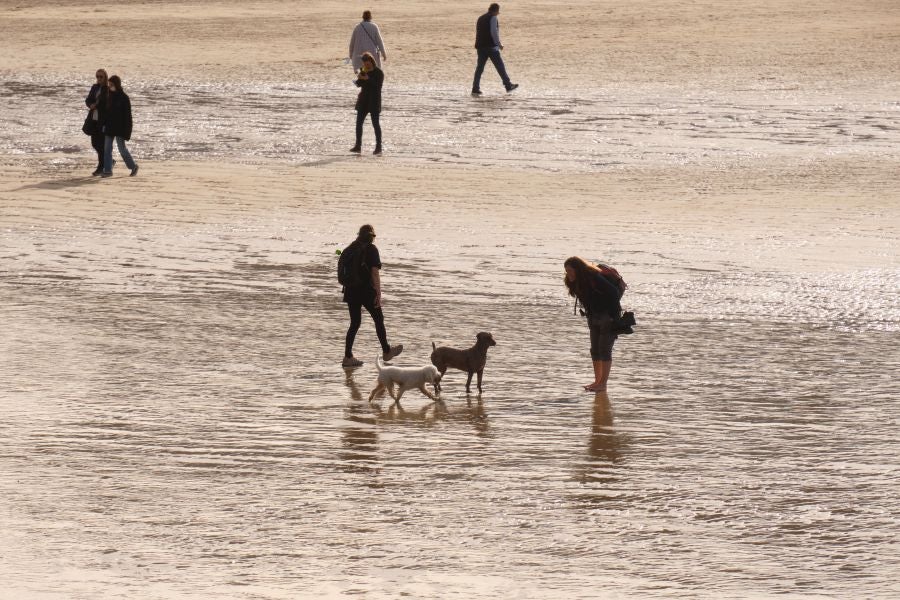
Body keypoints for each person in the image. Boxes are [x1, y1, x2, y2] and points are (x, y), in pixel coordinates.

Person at [341, 224, 402, 368]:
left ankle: (348, 357)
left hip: (350, 290)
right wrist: (378, 293)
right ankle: (386, 351)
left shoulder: (349, 249)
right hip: (366, 291)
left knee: (355, 323)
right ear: (371, 237)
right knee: (379, 319)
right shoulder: (371, 249)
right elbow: (374, 272)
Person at [564, 257, 624, 392]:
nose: (568, 273)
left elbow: (614, 294)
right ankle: (597, 381)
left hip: (607, 317)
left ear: (578, 269)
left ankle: (603, 384)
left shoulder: (594, 277)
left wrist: (613, 318)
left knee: (604, 350)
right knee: (595, 350)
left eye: (570, 270)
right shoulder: (574, 281)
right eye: (566, 271)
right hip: (593, 317)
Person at [471, 3, 518, 96]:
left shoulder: (480, 18)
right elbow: (494, 32)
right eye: (498, 11)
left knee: (479, 68)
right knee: (500, 66)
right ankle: (508, 86)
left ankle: (475, 88)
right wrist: (499, 44)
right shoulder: (493, 18)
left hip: (480, 46)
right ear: (495, 10)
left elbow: (479, 32)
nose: (498, 13)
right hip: (491, 47)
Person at [100, 75, 138, 178]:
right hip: (109, 127)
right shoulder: (108, 95)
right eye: (109, 84)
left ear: (117, 84)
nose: (110, 86)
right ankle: (108, 171)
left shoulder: (124, 98)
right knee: (107, 149)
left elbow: (128, 117)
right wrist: (103, 124)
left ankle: (133, 167)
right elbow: (105, 113)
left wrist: (127, 132)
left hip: (120, 129)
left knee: (122, 149)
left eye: (112, 84)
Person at [350, 52, 384, 155]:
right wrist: (359, 78)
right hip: (363, 100)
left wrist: (368, 79)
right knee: (358, 123)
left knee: (375, 124)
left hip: (374, 100)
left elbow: (378, 86)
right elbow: (359, 85)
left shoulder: (379, 72)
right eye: (364, 63)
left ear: (372, 62)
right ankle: (358, 146)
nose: (366, 65)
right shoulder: (364, 70)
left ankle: (378, 147)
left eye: (367, 63)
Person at [85, 69, 109, 176]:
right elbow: (88, 100)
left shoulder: (107, 89)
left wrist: (97, 105)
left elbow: (106, 104)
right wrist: (91, 105)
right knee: (95, 143)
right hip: (93, 119)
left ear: (105, 78)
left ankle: (101, 166)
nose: (99, 79)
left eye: (101, 77)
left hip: (103, 121)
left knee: (101, 144)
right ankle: (108, 162)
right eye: (97, 76)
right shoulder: (94, 87)